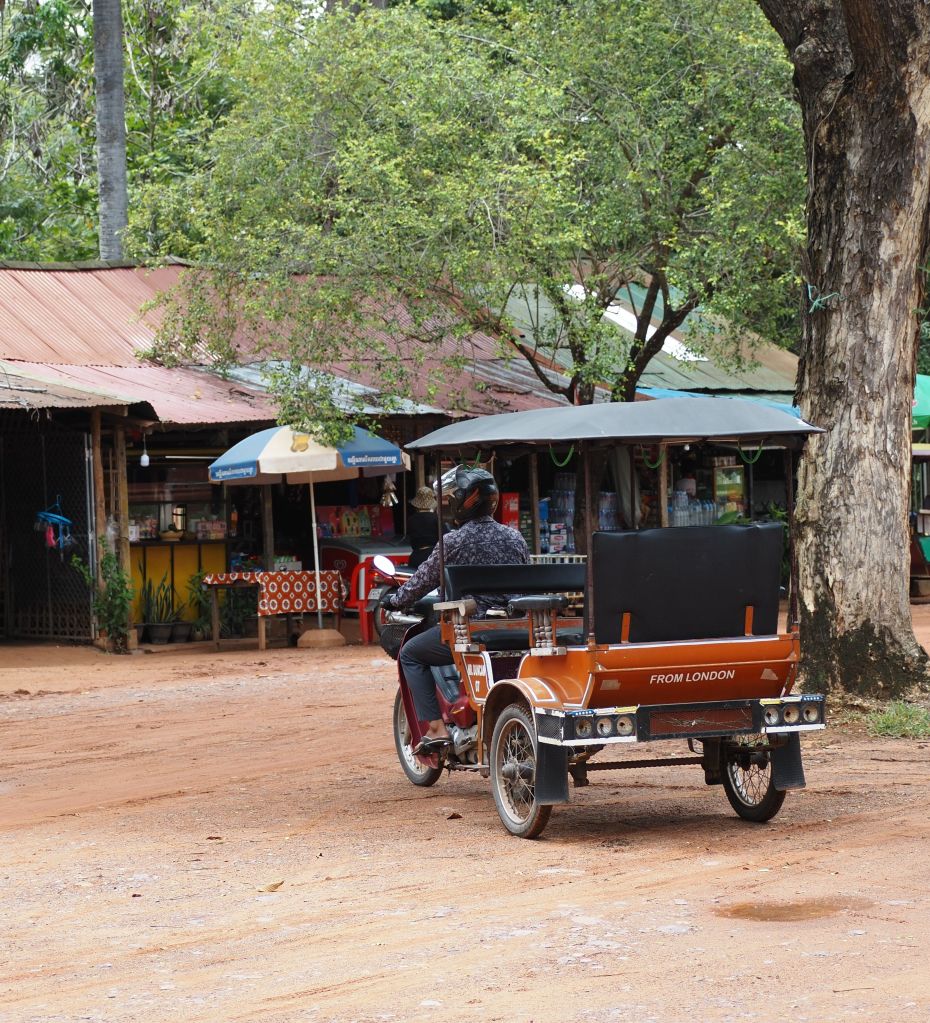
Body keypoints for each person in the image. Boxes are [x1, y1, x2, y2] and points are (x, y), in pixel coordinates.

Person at [387, 465, 529, 754]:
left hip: (472, 631)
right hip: (517, 629)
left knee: (410, 654)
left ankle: (436, 729)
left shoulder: (454, 541)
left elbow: (421, 582)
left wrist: (395, 600)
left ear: (464, 501)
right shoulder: (515, 538)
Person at [404, 485, 445, 569]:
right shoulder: (436, 518)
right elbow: (444, 537)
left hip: (415, 556)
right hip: (432, 556)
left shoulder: (411, 519)